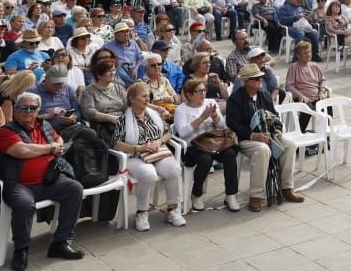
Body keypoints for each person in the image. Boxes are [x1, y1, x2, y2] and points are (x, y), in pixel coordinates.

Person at [0, 92, 85, 271]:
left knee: (75, 189)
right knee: (24, 205)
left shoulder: (43, 125)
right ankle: (21, 249)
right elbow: (22, 151)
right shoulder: (6, 131)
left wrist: (57, 144)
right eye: (23, 108)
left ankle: (61, 242)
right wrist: (50, 148)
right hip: (19, 184)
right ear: (16, 110)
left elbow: (59, 139)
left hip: (49, 180)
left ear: (38, 110)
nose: (28, 112)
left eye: (32, 108)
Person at [224, 63, 304, 211]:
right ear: (246, 82)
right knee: (262, 150)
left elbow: (274, 116)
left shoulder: (264, 96)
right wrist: (253, 135)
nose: (260, 80)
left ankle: (287, 189)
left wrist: (278, 130)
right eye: (256, 79)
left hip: (268, 135)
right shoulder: (235, 99)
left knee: (290, 145)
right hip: (246, 139)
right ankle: (256, 196)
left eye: (261, 78)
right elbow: (233, 123)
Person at [113, 82, 186, 230]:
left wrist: (158, 142)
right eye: (144, 96)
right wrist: (140, 147)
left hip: (157, 151)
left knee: (174, 170)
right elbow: (116, 144)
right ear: (132, 99)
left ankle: (173, 209)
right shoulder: (122, 120)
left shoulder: (154, 115)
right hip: (134, 155)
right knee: (149, 174)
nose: (148, 99)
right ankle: (142, 212)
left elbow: (168, 132)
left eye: (148, 96)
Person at [173, 77, 242, 212]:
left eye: (204, 90)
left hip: (214, 143)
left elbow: (222, 126)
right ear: (189, 94)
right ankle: (196, 194)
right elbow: (182, 133)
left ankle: (231, 194)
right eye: (199, 91)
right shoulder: (181, 110)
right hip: (194, 145)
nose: (203, 94)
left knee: (230, 154)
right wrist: (202, 118)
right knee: (205, 160)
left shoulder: (211, 102)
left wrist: (215, 116)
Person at [79, 58, 128, 142]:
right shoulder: (89, 91)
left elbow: (128, 106)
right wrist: (111, 118)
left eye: (113, 70)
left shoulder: (119, 88)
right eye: (109, 71)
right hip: (103, 125)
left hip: (122, 122)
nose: (113, 73)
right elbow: (89, 112)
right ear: (99, 75)